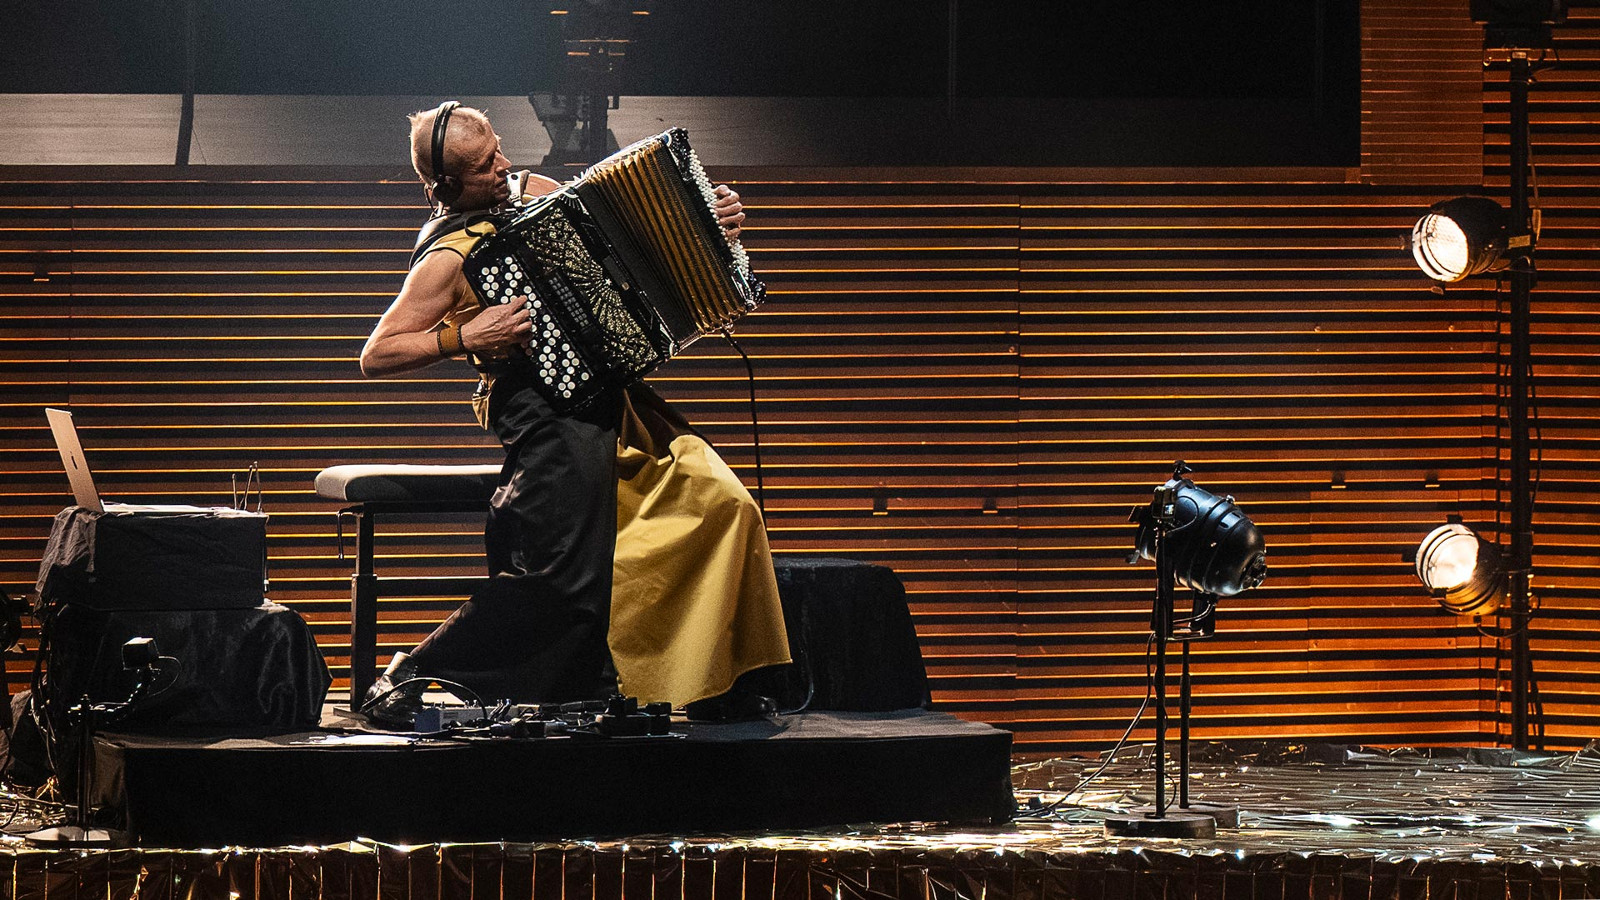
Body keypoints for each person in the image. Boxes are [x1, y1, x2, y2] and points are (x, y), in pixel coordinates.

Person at [357, 101, 790, 726]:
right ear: (444, 185)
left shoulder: (537, 192)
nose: (504, 166)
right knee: (563, 576)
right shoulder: (446, 257)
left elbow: (629, 249)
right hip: (542, 413)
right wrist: (463, 337)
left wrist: (706, 222)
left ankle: (715, 680)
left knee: (724, 505)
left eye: (500, 150)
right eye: (485, 165)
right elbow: (378, 353)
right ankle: (414, 672)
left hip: (610, 398)